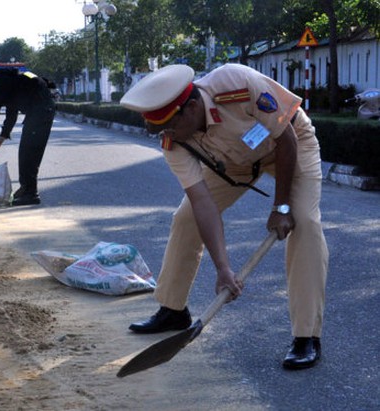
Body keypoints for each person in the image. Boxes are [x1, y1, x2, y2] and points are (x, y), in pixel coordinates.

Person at [120, 64, 328, 370]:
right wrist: (223, 269)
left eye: (170, 126)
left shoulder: (237, 84)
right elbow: (202, 201)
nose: (167, 135)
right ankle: (173, 309)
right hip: (233, 163)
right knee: (186, 218)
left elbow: (286, 140)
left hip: (291, 143)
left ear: (191, 108)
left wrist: (281, 207)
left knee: (306, 224)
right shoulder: (174, 141)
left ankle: (306, 336)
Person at [0, 68, 55, 206]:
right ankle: (26, 189)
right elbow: (11, 114)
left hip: (41, 111)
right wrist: (0, 141)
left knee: (29, 153)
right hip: (38, 111)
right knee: (25, 152)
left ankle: (31, 193)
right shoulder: (6, 86)